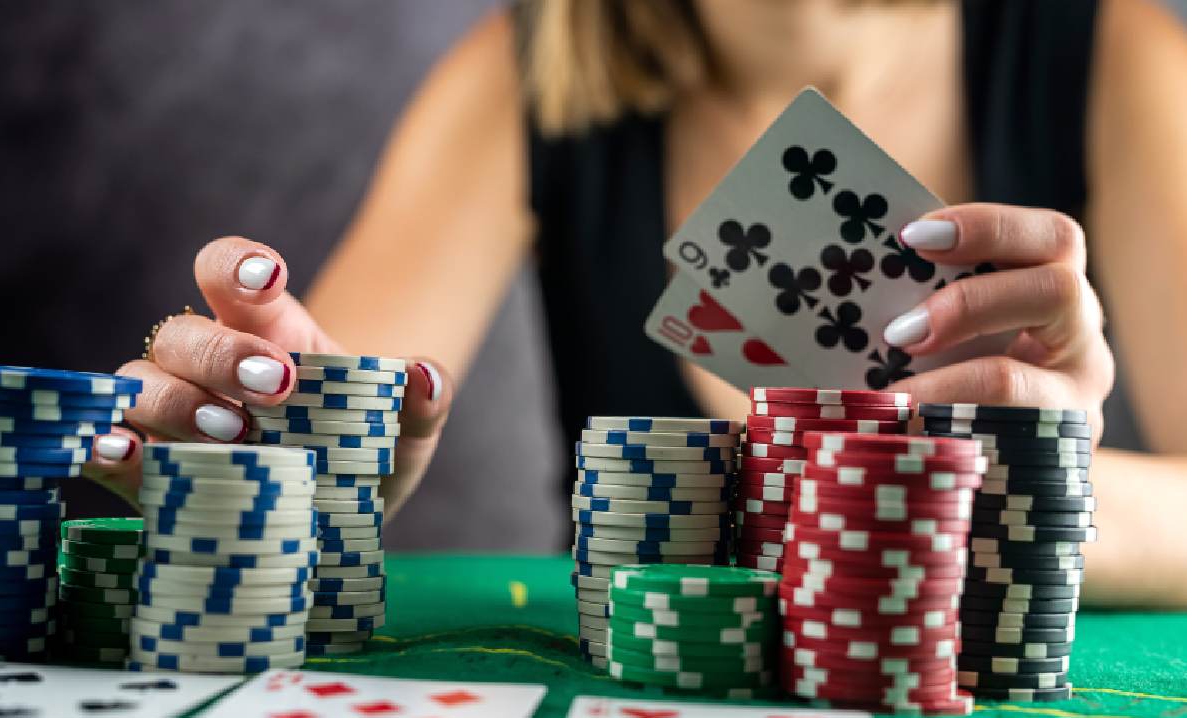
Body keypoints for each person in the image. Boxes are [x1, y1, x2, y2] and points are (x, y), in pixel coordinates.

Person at [84, 0, 1187, 607]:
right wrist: (289, 459)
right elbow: (317, 432)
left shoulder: (1110, 51)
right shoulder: (522, 76)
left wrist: (1035, 502)